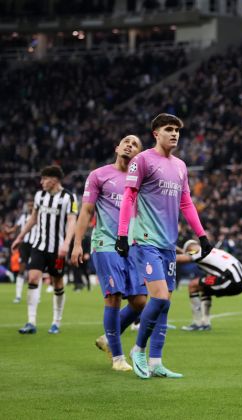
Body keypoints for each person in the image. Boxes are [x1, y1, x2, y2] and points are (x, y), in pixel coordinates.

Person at [116, 113, 212, 379]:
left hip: (169, 244)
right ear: (155, 133)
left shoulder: (180, 166)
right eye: (169, 129)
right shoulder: (142, 160)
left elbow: (186, 204)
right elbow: (128, 197)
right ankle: (138, 350)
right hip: (145, 241)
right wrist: (122, 234)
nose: (174, 134)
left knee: (165, 303)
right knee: (158, 298)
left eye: (177, 130)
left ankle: (157, 362)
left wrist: (201, 235)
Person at [70, 135, 145, 372]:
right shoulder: (99, 175)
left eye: (135, 144)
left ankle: (106, 338)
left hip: (133, 246)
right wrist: (77, 244)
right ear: (117, 148)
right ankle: (118, 358)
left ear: (139, 155)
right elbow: (86, 210)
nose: (130, 145)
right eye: (126, 141)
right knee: (113, 297)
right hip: (105, 244)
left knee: (140, 302)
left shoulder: (142, 181)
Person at [12, 166, 77, 334]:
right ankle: (31, 322)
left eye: (44, 179)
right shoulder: (39, 196)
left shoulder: (68, 198)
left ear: (54, 180)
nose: (41, 182)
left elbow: (71, 222)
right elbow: (33, 219)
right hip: (38, 245)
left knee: (57, 283)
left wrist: (66, 244)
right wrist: (20, 237)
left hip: (58, 249)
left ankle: (56, 322)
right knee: (32, 278)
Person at [179, 240, 242, 331]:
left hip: (229, 279)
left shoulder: (198, 251)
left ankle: (197, 323)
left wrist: (160, 255)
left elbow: (181, 258)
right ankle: (205, 323)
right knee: (204, 287)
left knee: (193, 285)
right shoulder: (212, 250)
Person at [11, 202, 36, 303]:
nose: (30, 207)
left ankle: (35, 297)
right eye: (28, 205)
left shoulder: (40, 217)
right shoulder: (23, 216)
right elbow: (15, 228)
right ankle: (18, 296)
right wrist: (9, 231)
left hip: (35, 245)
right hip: (24, 245)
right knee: (22, 269)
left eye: (31, 205)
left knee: (35, 271)